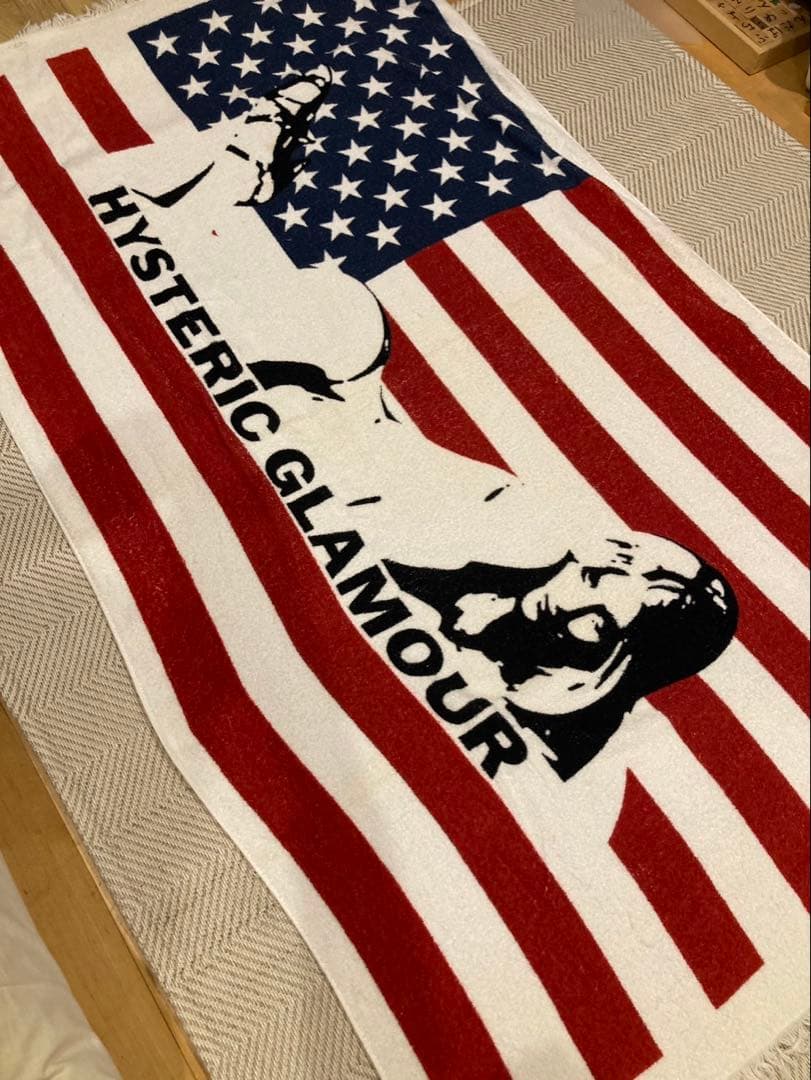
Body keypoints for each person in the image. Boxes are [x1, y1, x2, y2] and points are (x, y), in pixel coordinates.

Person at [126, 68, 739, 778]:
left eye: (619, 569)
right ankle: (230, 185)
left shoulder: (542, 696)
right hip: (312, 415)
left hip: (298, 462)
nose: (598, 553)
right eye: (621, 550)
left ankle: (231, 184)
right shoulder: (511, 556)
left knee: (313, 321)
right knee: (321, 317)